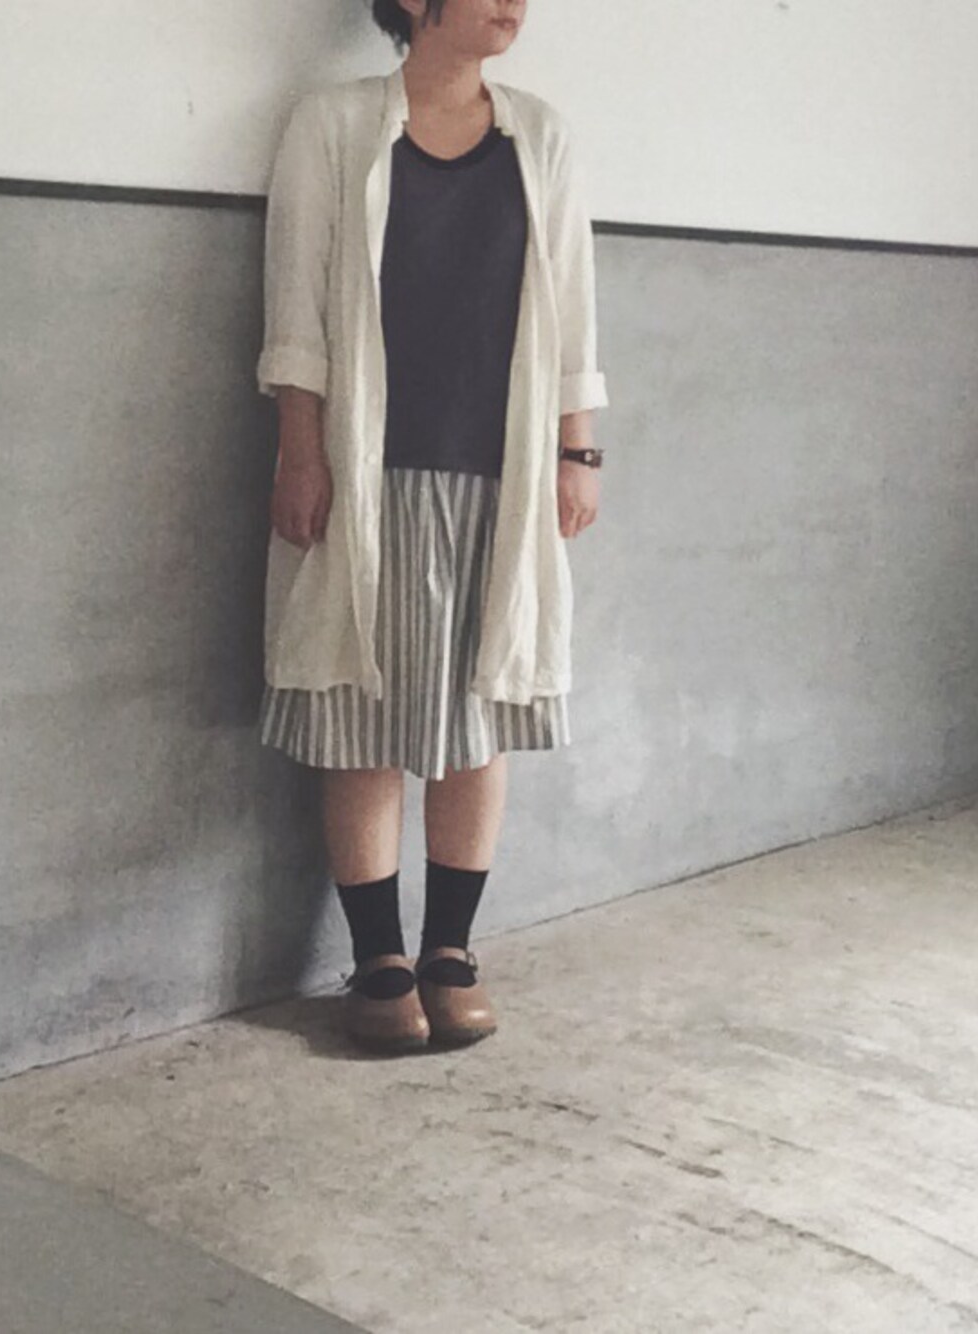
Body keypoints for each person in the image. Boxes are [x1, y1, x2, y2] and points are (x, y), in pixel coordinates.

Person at [255, 0, 609, 1054]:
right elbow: (297, 307)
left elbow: (573, 302)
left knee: (478, 711)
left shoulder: (540, 134)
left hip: (500, 474)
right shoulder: (332, 124)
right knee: (360, 709)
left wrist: (577, 448)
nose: (514, 3)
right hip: (367, 468)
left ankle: (450, 949)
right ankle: (380, 960)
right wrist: (301, 451)